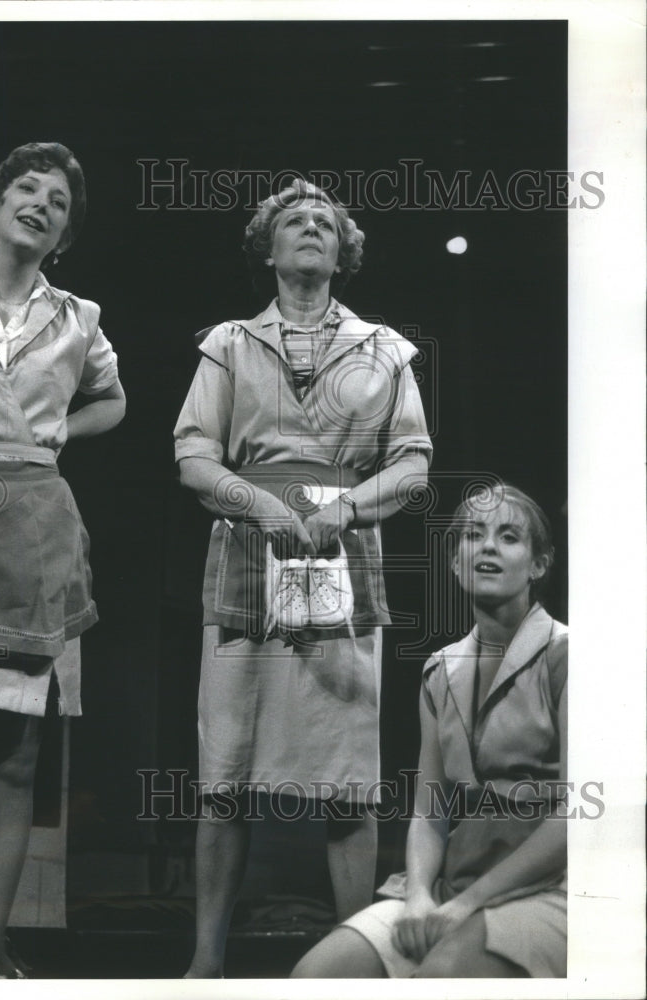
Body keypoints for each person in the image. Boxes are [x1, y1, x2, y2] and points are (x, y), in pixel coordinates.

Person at [173, 180, 432, 977]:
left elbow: (414, 463)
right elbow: (193, 454)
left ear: (343, 252)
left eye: (327, 221)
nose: (312, 228)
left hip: (344, 566)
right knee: (225, 772)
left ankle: (356, 963)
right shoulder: (227, 343)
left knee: (348, 776)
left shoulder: (385, 348)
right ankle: (205, 964)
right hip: (248, 560)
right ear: (269, 247)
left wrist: (346, 511)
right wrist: (256, 503)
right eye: (295, 220)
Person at [0, 142, 125, 978]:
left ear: (63, 237)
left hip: (34, 533)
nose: (41, 203)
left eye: (58, 202)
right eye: (26, 188)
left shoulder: (78, 317)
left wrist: (61, 430)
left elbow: (113, 399)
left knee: (15, 761)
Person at [292, 484, 568, 978]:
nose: (487, 547)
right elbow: (429, 810)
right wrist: (419, 895)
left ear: (539, 565)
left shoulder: (566, 655)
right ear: (455, 561)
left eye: (508, 537)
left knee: (441, 976)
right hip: (453, 885)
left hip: (552, 887)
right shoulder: (440, 670)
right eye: (472, 536)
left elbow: (579, 817)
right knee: (317, 976)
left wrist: (467, 908)